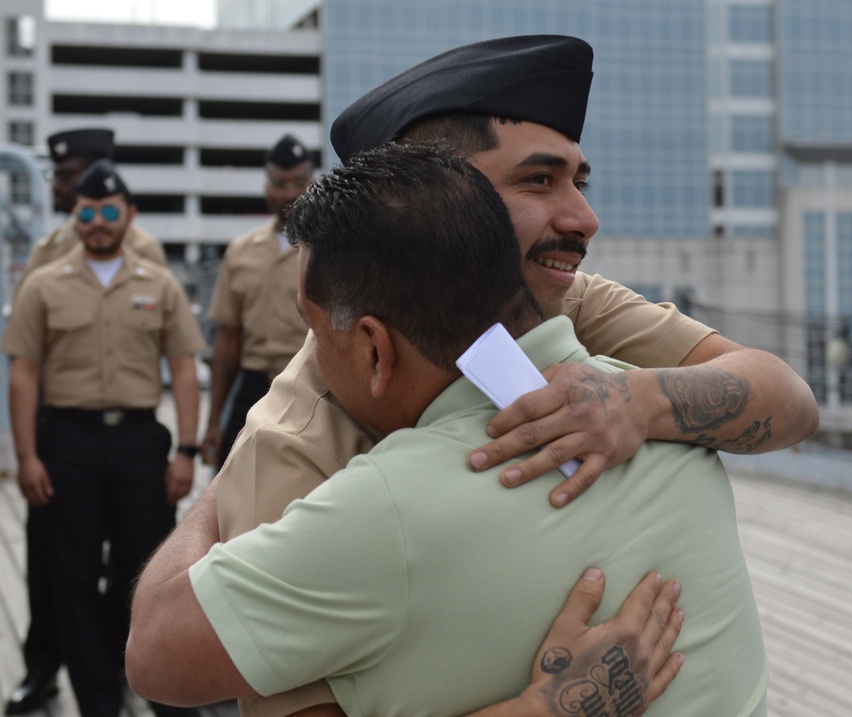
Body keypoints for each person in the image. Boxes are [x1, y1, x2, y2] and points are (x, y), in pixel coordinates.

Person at [211, 33, 815, 717]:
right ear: (430, 200)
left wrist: (642, 398)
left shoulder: (571, 300)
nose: (584, 218)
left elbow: (789, 400)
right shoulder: (310, 414)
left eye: (578, 181)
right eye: (539, 180)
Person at [126, 142, 767, 717]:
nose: (316, 357)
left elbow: (155, 651)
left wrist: (236, 468)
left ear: (374, 349)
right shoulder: (674, 426)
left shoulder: (386, 510)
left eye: (317, 334)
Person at [3, 160, 205, 717]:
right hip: (68, 441)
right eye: (86, 212)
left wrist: (186, 451)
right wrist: (26, 456)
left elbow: (184, 367)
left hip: (140, 441)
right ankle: (96, 701)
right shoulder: (44, 285)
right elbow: (23, 372)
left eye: (108, 212)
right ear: (74, 216)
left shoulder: (158, 283)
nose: (97, 223)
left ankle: (161, 690)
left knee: (150, 567)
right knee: (71, 574)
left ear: (129, 215)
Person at [201, 134, 315, 468]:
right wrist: (213, 422)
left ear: (314, 181)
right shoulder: (241, 251)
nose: (289, 193)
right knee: (233, 493)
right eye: (279, 183)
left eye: (299, 182)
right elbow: (228, 341)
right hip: (252, 390)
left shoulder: (333, 248)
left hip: (310, 387)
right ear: (265, 185)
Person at [24, 128, 167, 276]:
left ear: (96, 175)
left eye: (66, 176)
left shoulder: (142, 248)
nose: (55, 186)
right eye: (54, 176)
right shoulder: (48, 249)